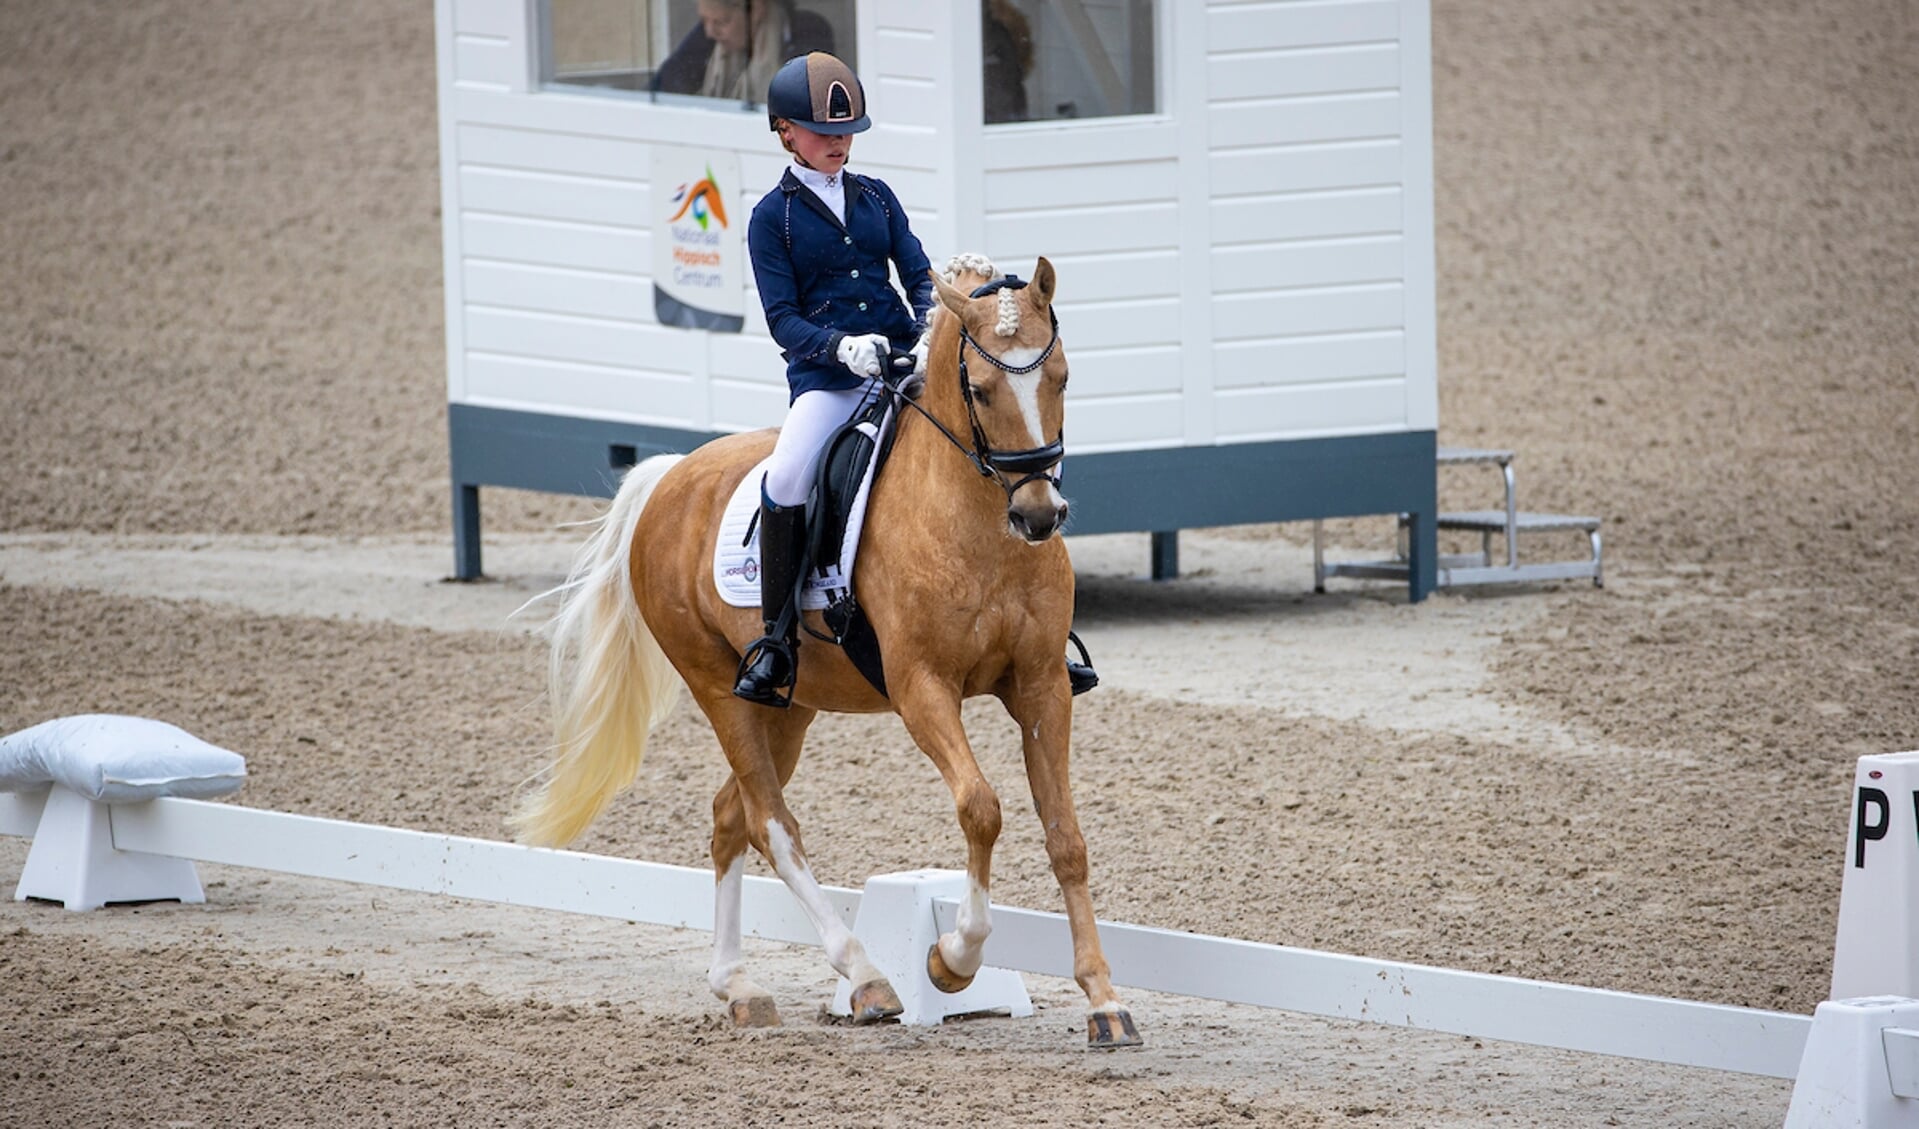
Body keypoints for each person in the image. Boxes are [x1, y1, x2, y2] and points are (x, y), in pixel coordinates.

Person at [734, 51, 934, 707]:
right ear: (785, 130)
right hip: (828, 380)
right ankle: (775, 639)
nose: (837, 144)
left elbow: (918, 275)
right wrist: (838, 347)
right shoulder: (773, 217)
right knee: (786, 475)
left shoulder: (876, 196)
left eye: (846, 133)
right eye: (823, 133)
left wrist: (933, 331)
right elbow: (782, 319)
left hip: (902, 369)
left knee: (986, 432)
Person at [652, 0, 832, 101]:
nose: (709, 32)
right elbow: (662, 88)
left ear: (756, 9)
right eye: (704, 21)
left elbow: (807, 104)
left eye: (721, 22)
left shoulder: (805, 32)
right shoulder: (711, 34)